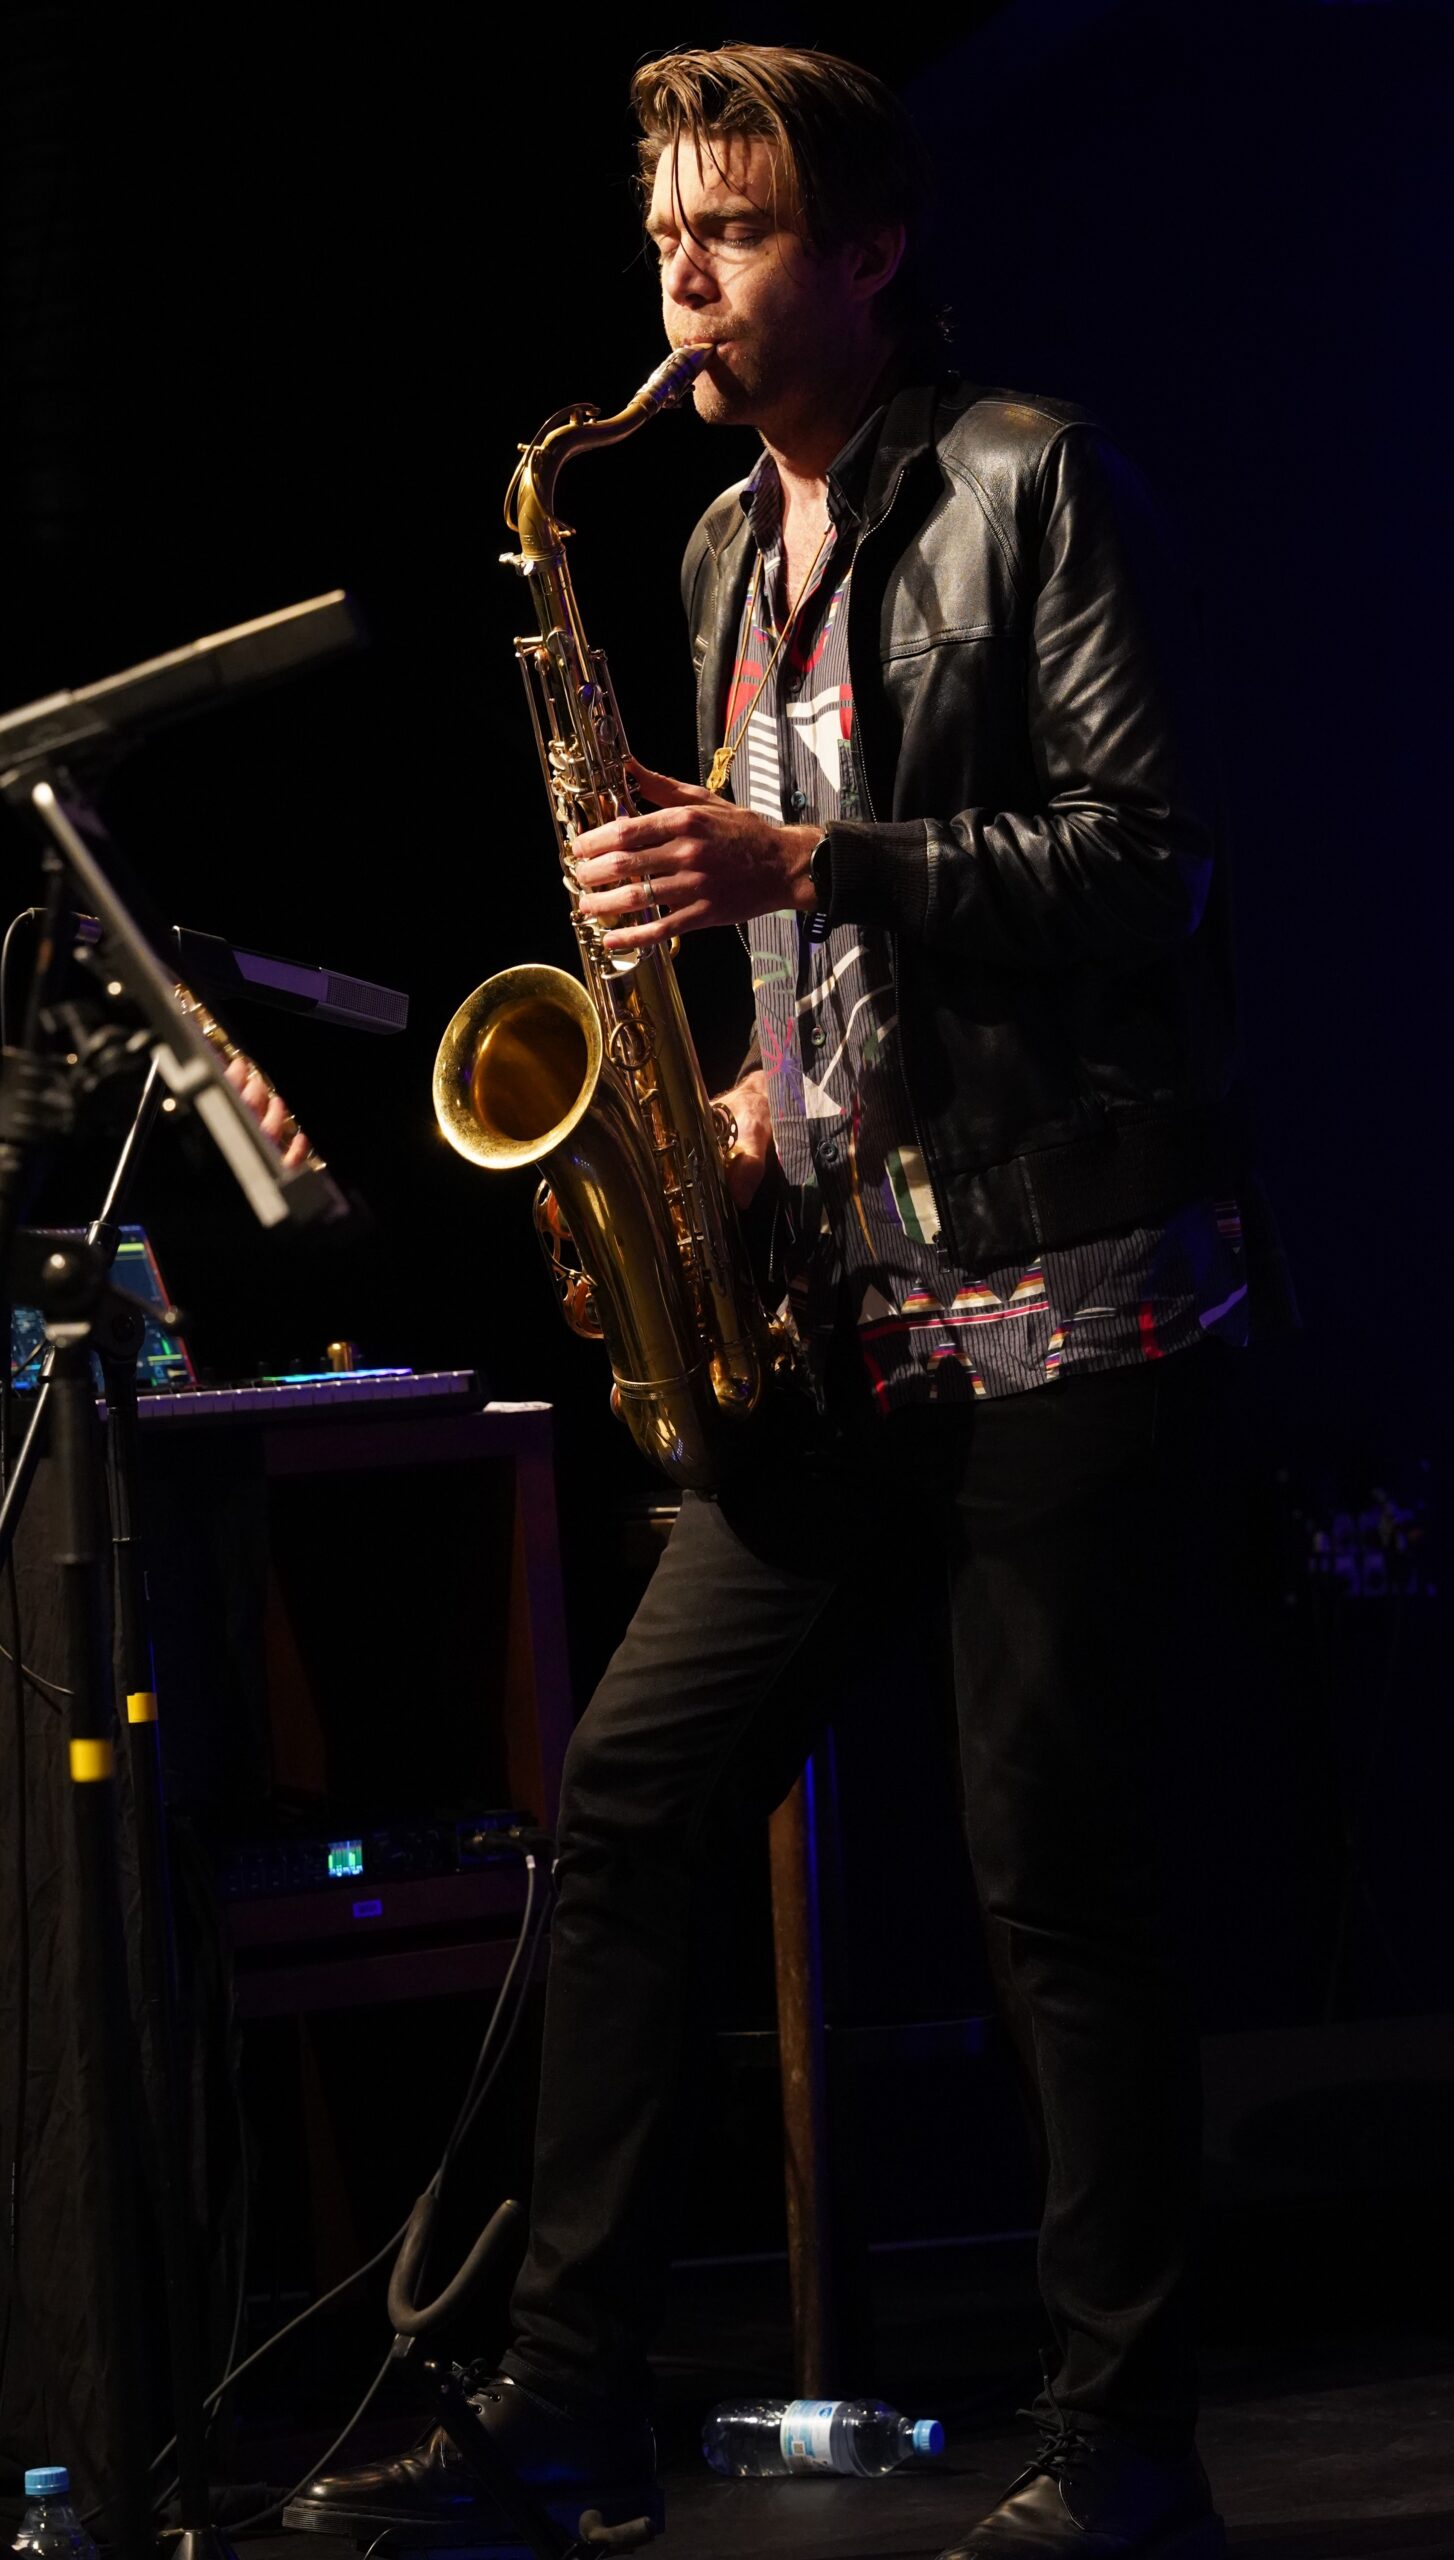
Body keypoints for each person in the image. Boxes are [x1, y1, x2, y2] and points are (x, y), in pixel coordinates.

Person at [290, 42, 1285, 2560]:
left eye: (727, 236)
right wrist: (728, 1117)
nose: (682, 289)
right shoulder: (723, 547)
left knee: (1052, 1876)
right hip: (845, 1319)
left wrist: (799, 862)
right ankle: (564, 2406)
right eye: (661, 241)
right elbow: (801, 978)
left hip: (1070, 1299)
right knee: (627, 1803)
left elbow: (1143, 865)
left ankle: (1123, 2445)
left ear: (866, 248)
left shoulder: (1034, 480)